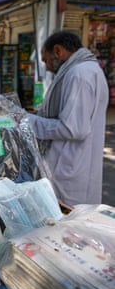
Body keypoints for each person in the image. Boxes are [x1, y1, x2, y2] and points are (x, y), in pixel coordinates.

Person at [28, 31, 109, 206]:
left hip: (69, 168)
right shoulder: (90, 70)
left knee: (66, 225)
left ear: (58, 51)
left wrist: (29, 121)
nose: (47, 67)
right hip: (76, 165)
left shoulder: (79, 74)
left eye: (46, 60)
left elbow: (73, 128)